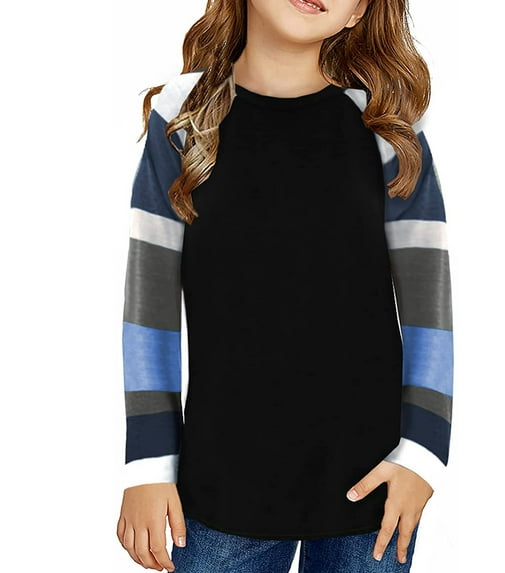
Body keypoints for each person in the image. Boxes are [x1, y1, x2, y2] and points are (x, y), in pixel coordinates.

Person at [116, 0, 454, 571]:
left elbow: (429, 305)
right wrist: (147, 465)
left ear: (359, 13)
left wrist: (422, 454)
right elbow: (149, 305)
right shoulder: (181, 118)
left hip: (372, 487)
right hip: (220, 485)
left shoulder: (387, 125)